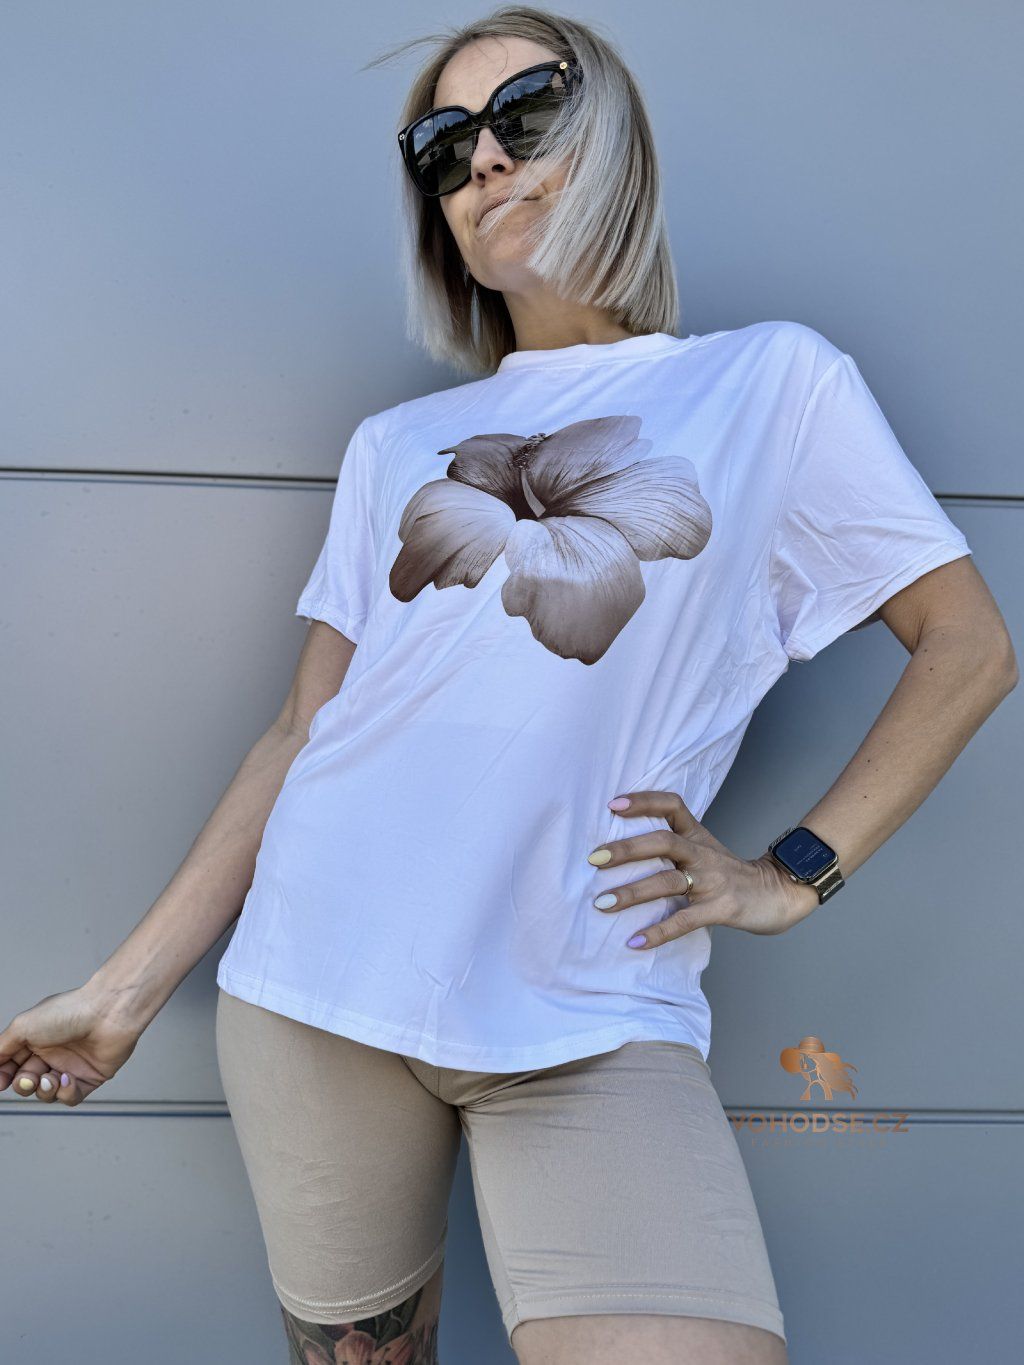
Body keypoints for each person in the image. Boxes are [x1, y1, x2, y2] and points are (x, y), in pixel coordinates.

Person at [2, 7, 1017, 1364]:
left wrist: (790, 874)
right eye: (443, 145)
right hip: (317, 991)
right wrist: (124, 993)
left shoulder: (771, 385)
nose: (483, 160)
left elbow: (969, 648)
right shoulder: (398, 444)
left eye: (524, 116)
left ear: (614, 143)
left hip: (591, 1007)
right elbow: (305, 729)